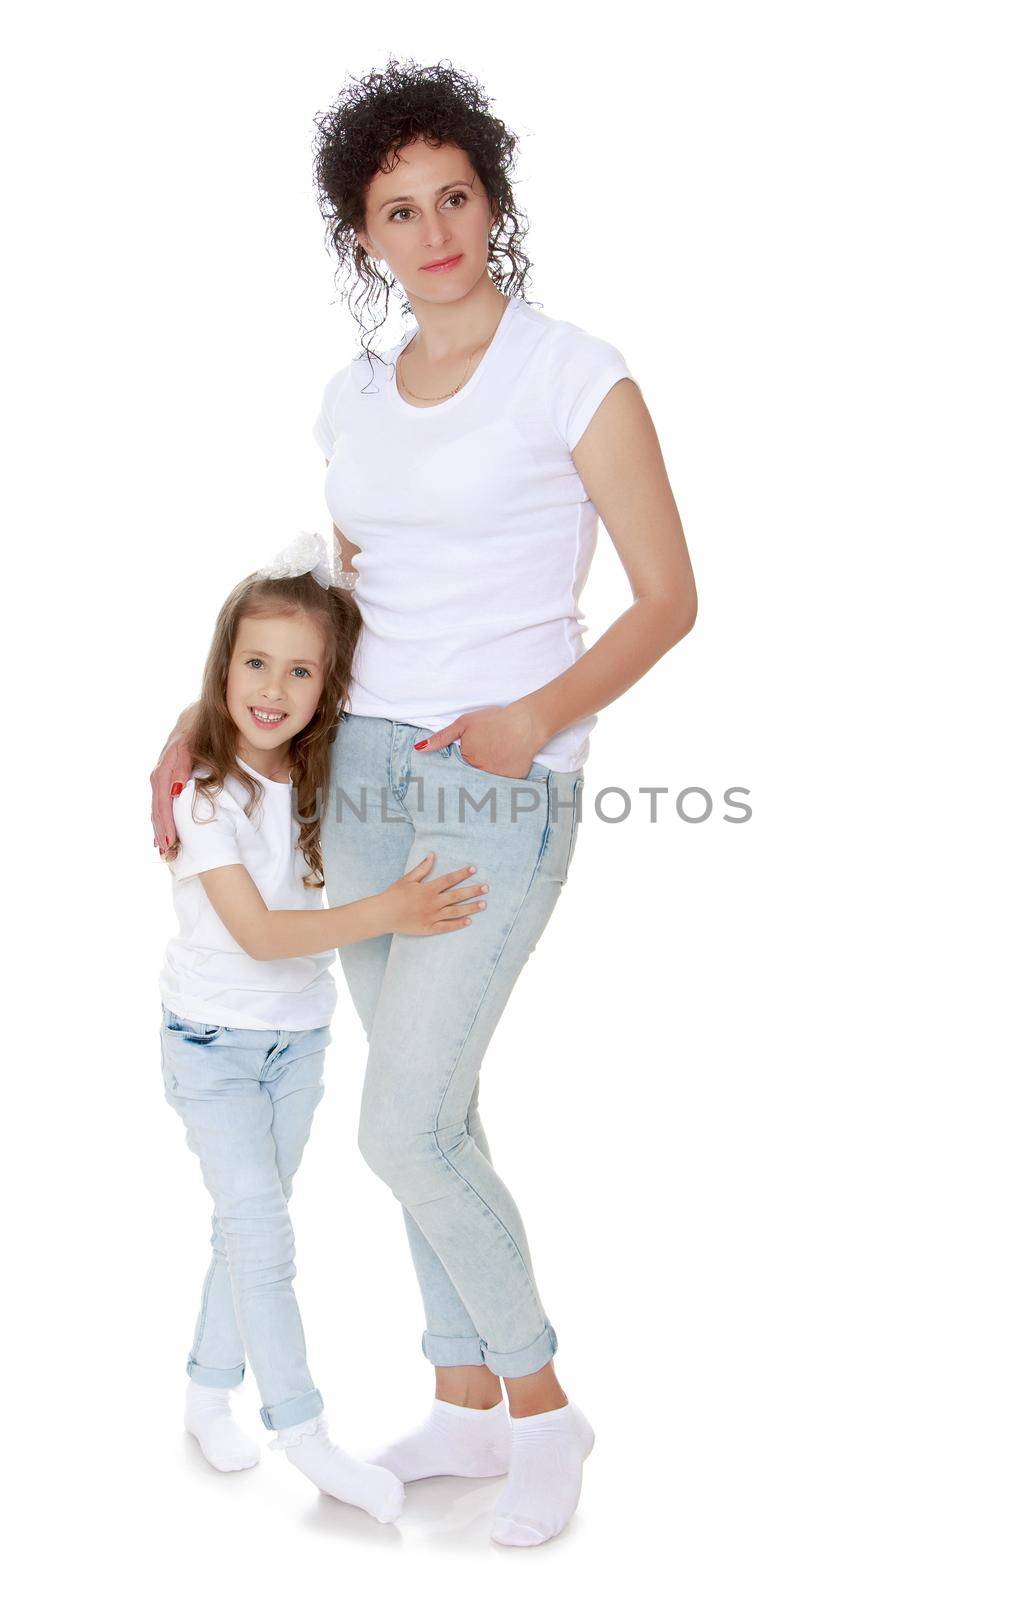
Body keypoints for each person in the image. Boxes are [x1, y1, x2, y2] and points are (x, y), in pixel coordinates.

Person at [152, 58, 697, 1548]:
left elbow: (668, 599)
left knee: (401, 1127)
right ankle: (457, 1402)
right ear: (363, 238)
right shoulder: (350, 398)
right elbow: (330, 607)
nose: (433, 228)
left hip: (495, 787)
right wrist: (202, 724)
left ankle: (538, 1403)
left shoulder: (573, 373)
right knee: (430, 1112)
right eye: (398, 209)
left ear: (491, 201)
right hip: (359, 785)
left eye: (454, 195)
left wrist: (534, 717)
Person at [157, 532, 489, 1523]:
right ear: (222, 667)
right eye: (253, 662)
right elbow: (258, 933)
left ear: (330, 688)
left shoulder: (324, 774)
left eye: (300, 670)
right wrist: (390, 912)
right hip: (210, 1046)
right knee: (263, 1231)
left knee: (243, 1227)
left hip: (298, 1042)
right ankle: (303, 1430)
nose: (272, 686)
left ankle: (206, 1388)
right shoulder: (205, 793)